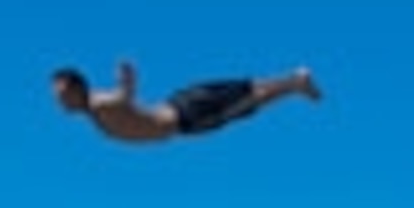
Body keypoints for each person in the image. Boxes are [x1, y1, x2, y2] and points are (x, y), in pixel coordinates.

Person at [51, 58, 322, 145]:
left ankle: (295, 84)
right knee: (246, 91)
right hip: (182, 105)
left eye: (62, 95)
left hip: (188, 115)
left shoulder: (98, 104)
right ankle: (293, 80)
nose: (59, 101)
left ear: (77, 89)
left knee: (249, 100)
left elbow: (122, 97)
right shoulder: (94, 108)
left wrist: (127, 80)